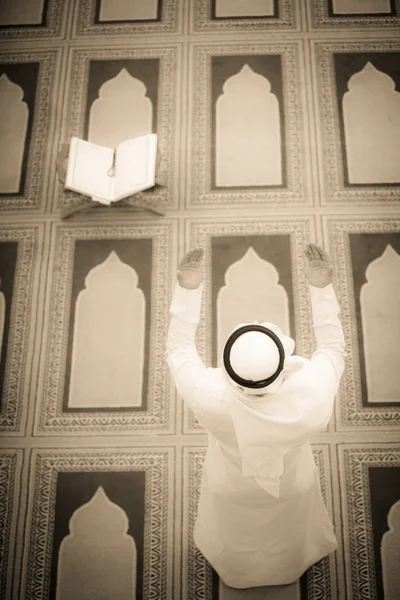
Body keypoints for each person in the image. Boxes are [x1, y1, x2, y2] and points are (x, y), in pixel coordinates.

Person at [166, 243, 345, 589]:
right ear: (281, 368)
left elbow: (178, 348)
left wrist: (188, 288)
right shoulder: (312, 394)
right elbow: (333, 348)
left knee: (236, 534)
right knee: (288, 530)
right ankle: (288, 567)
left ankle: (238, 574)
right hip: (293, 484)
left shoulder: (208, 394)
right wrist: (321, 286)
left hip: (229, 485)